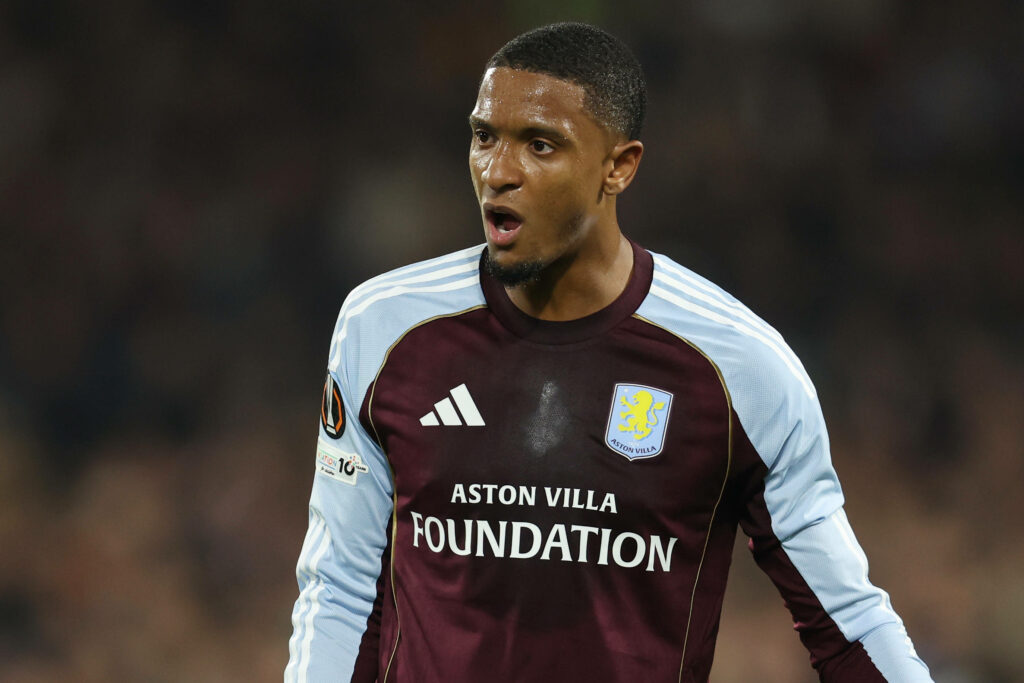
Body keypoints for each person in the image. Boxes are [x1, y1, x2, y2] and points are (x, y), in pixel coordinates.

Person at [285, 22, 933, 683]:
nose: (498, 172)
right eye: (484, 137)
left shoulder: (738, 367)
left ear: (619, 167)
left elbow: (848, 628)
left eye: (540, 144)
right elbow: (341, 591)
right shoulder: (384, 329)